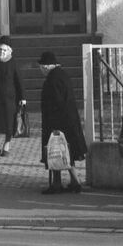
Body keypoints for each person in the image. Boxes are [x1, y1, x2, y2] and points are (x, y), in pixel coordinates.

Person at [38, 50, 87, 194]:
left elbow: (56, 103)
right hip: (68, 121)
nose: (41, 70)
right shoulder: (62, 75)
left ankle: (57, 184)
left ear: (46, 66)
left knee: (55, 152)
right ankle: (75, 182)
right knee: (66, 153)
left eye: (41, 67)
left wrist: (54, 127)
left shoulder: (52, 80)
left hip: (57, 122)